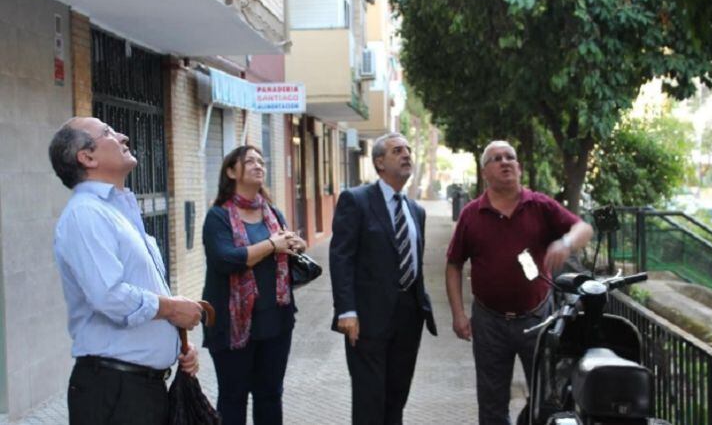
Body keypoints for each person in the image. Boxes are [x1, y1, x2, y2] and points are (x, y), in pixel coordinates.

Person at [49, 117, 203, 425]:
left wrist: (177, 342)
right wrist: (174, 310)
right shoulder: (85, 214)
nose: (123, 136)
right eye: (107, 133)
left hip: (141, 389)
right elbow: (110, 297)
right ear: (87, 157)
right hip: (115, 393)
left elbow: (141, 288)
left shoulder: (117, 211)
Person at [445, 140, 593, 425]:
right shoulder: (472, 214)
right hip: (488, 323)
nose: (505, 162)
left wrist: (565, 242)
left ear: (519, 167)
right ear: (485, 172)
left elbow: (583, 228)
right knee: (491, 405)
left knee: (546, 401)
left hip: (538, 319)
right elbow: (453, 264)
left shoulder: (540, 205)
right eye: (496, 158)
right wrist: (459, 314)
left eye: (510, 157)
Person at [330, 132, 437, 425]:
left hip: (408, 318)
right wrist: (346, 310)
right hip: (367, 320)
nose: (406, 155)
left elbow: (414, 261)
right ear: (379, 162)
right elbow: (341, 258)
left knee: (396, 398)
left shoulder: (416, 210)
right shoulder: (357, 200)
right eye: (396, 150)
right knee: (369, 400)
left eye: (408, 150)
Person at [201, 145, 306, 425]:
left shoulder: (273, 214)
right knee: (233, 398)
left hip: (275, 322)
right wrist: (272, 245)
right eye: (250, 161)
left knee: (270, 396)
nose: (259, 165)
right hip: (231, 323)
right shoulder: (218, 217)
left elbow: (284, 254)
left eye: (261, 161)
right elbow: (226, 259)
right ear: (231, 171)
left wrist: (296, 246)